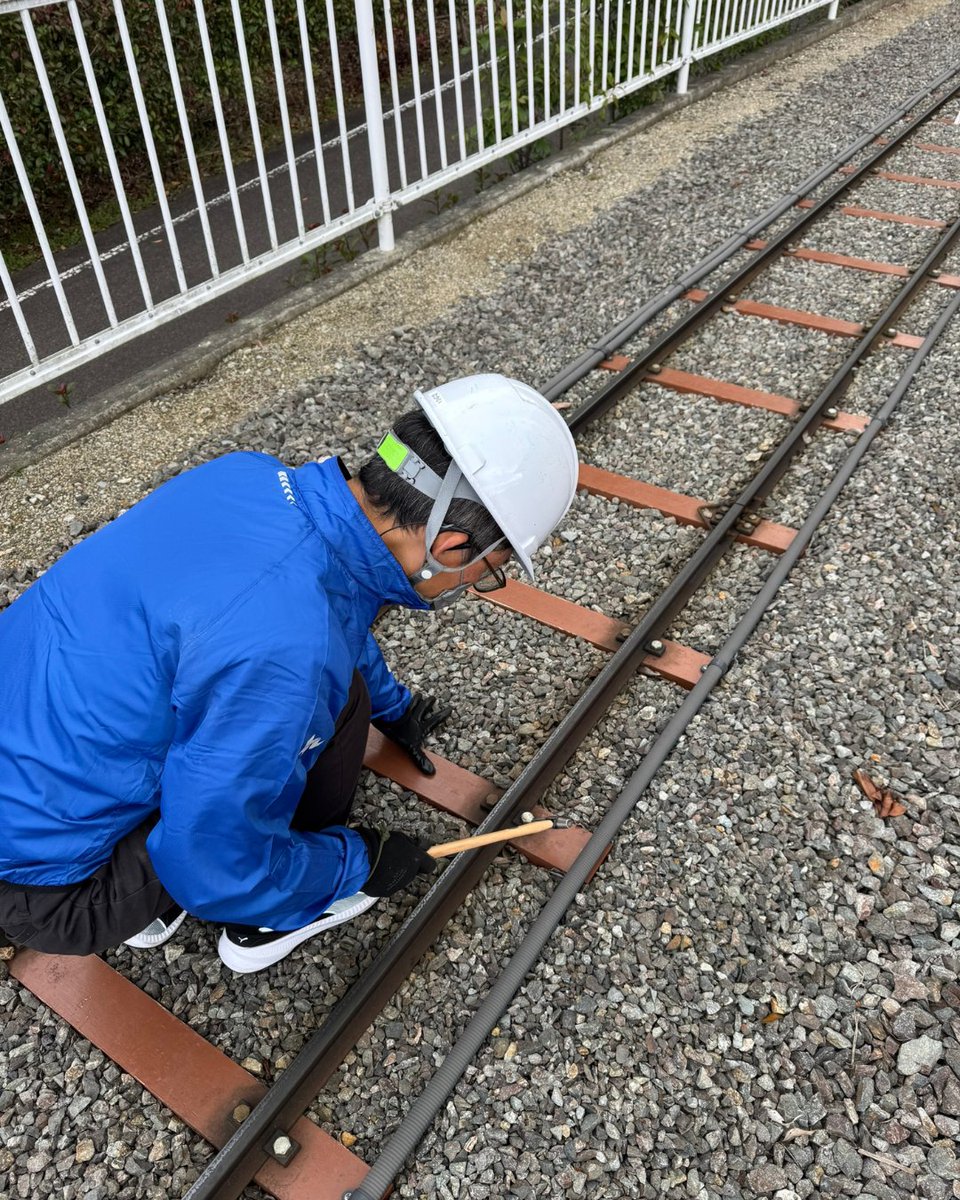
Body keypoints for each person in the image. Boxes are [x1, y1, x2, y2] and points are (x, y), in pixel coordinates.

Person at [0, 374, 579, 972]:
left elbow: (328, 606)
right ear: (452, 545)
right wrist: (356, 861)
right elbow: (208, 861)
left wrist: (396, 706)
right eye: (487, 571)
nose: (475, 585)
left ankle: (164, 856)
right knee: (319, 713)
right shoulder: (290, 650)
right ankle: (263, 915)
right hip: (43, 891)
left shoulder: (245, 476)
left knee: (267, 696)